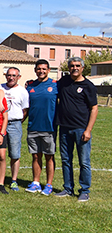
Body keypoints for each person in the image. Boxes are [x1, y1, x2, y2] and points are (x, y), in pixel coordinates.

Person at [54, 57, 98, 202]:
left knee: (84, 162)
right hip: (65, 128)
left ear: (82, 68)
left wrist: (88, 130)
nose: (74, 68)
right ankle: (68, 188)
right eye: (72, 66)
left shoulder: (88, 86)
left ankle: (84, 190)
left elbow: (94, 108)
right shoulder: (64, 82)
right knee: (66, 160)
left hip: (81, 129)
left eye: (77, 65)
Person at [24, 60, 57, 196]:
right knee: (36, 156)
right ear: (35, 70)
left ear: (48, 70)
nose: (41, 71)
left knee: (49, 157)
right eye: (39, 69)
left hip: (49, 128)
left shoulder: (55, 85)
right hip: (33, 127)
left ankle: (49, 185)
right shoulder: (30, 86)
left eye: (44, 69)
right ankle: (36, 182)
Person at [0, 67, 29, 192]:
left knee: (15, 154)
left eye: (14, 75)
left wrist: (18, 121)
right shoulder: (0, 87)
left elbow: (25, 110)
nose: (11, 77)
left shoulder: (23, 91)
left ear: (18, 77)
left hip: (15, 124)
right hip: (0, 124)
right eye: (9, 75)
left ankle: (14, 180)